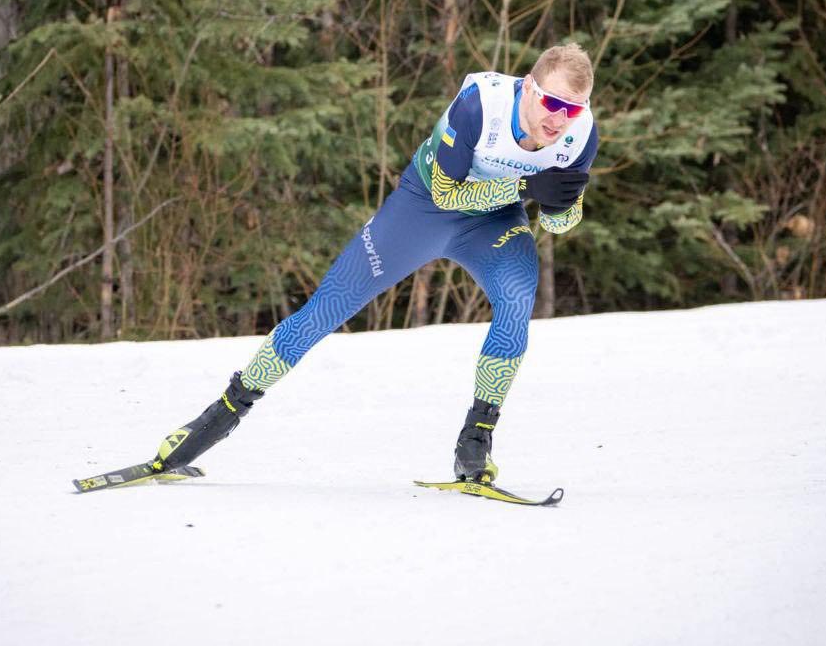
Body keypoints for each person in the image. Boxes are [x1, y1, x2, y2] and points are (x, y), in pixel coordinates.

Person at [153, 43, 599, 484]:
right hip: (422, 208)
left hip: (493, 225)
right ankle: (221, 414)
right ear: (527, 88)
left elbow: (561, 223)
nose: (559, 120)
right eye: (552, 102)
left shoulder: (580, 136)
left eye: (573, 110)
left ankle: (475, 441)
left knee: (517, 300)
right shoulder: (480, 105)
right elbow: (447, 196)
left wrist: (560, 205)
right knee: (327, 309)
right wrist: (523, 186)